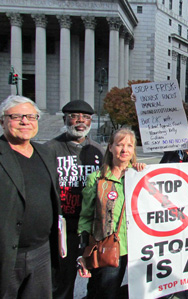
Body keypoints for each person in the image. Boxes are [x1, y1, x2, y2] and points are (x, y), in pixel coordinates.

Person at [0, 95, 61, 298]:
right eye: (17, 116)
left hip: (42, 251)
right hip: (7, 255)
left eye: (31, 117)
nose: (25, 121)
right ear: (3, 121)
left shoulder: (45, 153)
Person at [77, 127, 146, 299]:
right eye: (119, 144)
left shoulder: (139, 176)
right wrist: (82, 251)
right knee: (104, 292)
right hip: (107, 249)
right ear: (110, 147)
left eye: (130, 145)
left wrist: (144, 173)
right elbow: (86, 216)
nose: (124, 150)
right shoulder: (96, 179)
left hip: (138, 249)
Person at [46, 100, 105, 299]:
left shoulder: (98, 151)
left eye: (86, 117)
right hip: (63, 228)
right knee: (62, 283)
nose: (80, 121)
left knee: (97, 281)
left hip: (92, 228)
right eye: (74, 116)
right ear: (65, 119)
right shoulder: (50, 149)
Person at [159, 123, 188, 299]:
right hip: (170, 208)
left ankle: (186, 286)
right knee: (169, 248)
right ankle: (168, 284)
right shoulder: (171, 153)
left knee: (187, 249)